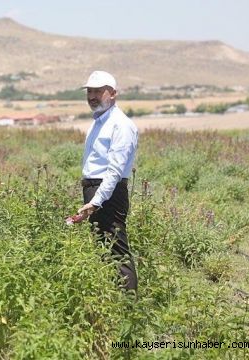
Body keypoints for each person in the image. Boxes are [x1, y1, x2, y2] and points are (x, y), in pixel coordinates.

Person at [76, 70, 138, 293]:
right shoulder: (98, 122)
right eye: (90, 91)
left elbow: (114, 170)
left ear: (113, 94)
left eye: (98, 91)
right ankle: (113, 299)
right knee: (103, 249)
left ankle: (130, 307)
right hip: (96, 190)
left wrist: (96, 201)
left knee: (117, 250)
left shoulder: (120, 124)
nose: (92, 96)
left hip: (108, 193)